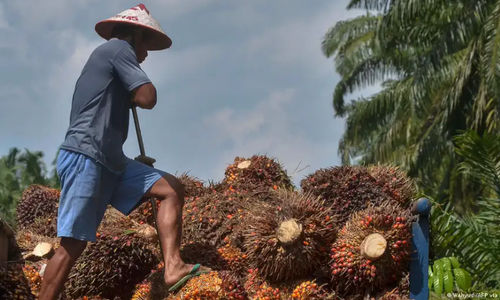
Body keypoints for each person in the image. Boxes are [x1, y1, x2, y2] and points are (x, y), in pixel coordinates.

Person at [39, 4, 207, 299]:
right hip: (86, 157)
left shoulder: (113, 61)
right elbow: (148, 96)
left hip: (110, 160)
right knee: (72, 246)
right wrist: (134, 90)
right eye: (146, 46)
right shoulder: (119, 49)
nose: (146, 55)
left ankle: (173, 268)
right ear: (135, 36)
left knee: (170, 189)